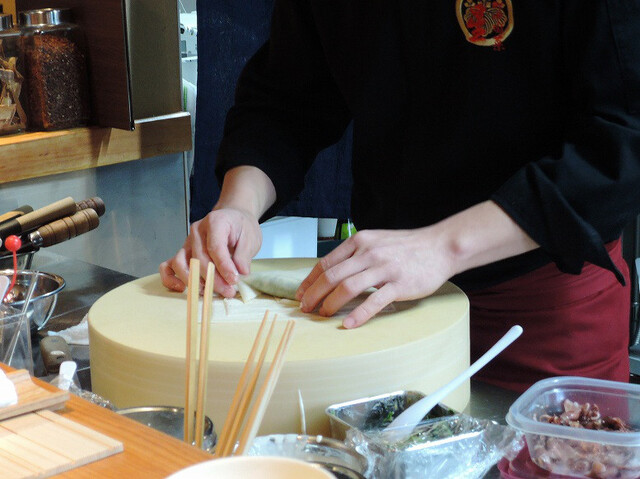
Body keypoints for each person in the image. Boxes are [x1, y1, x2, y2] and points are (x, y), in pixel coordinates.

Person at [160, 1, 640, 392]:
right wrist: (238, 206)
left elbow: (623, 138)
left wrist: (443, 246)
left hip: (540, 307)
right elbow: (287, 99)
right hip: (385, 305)